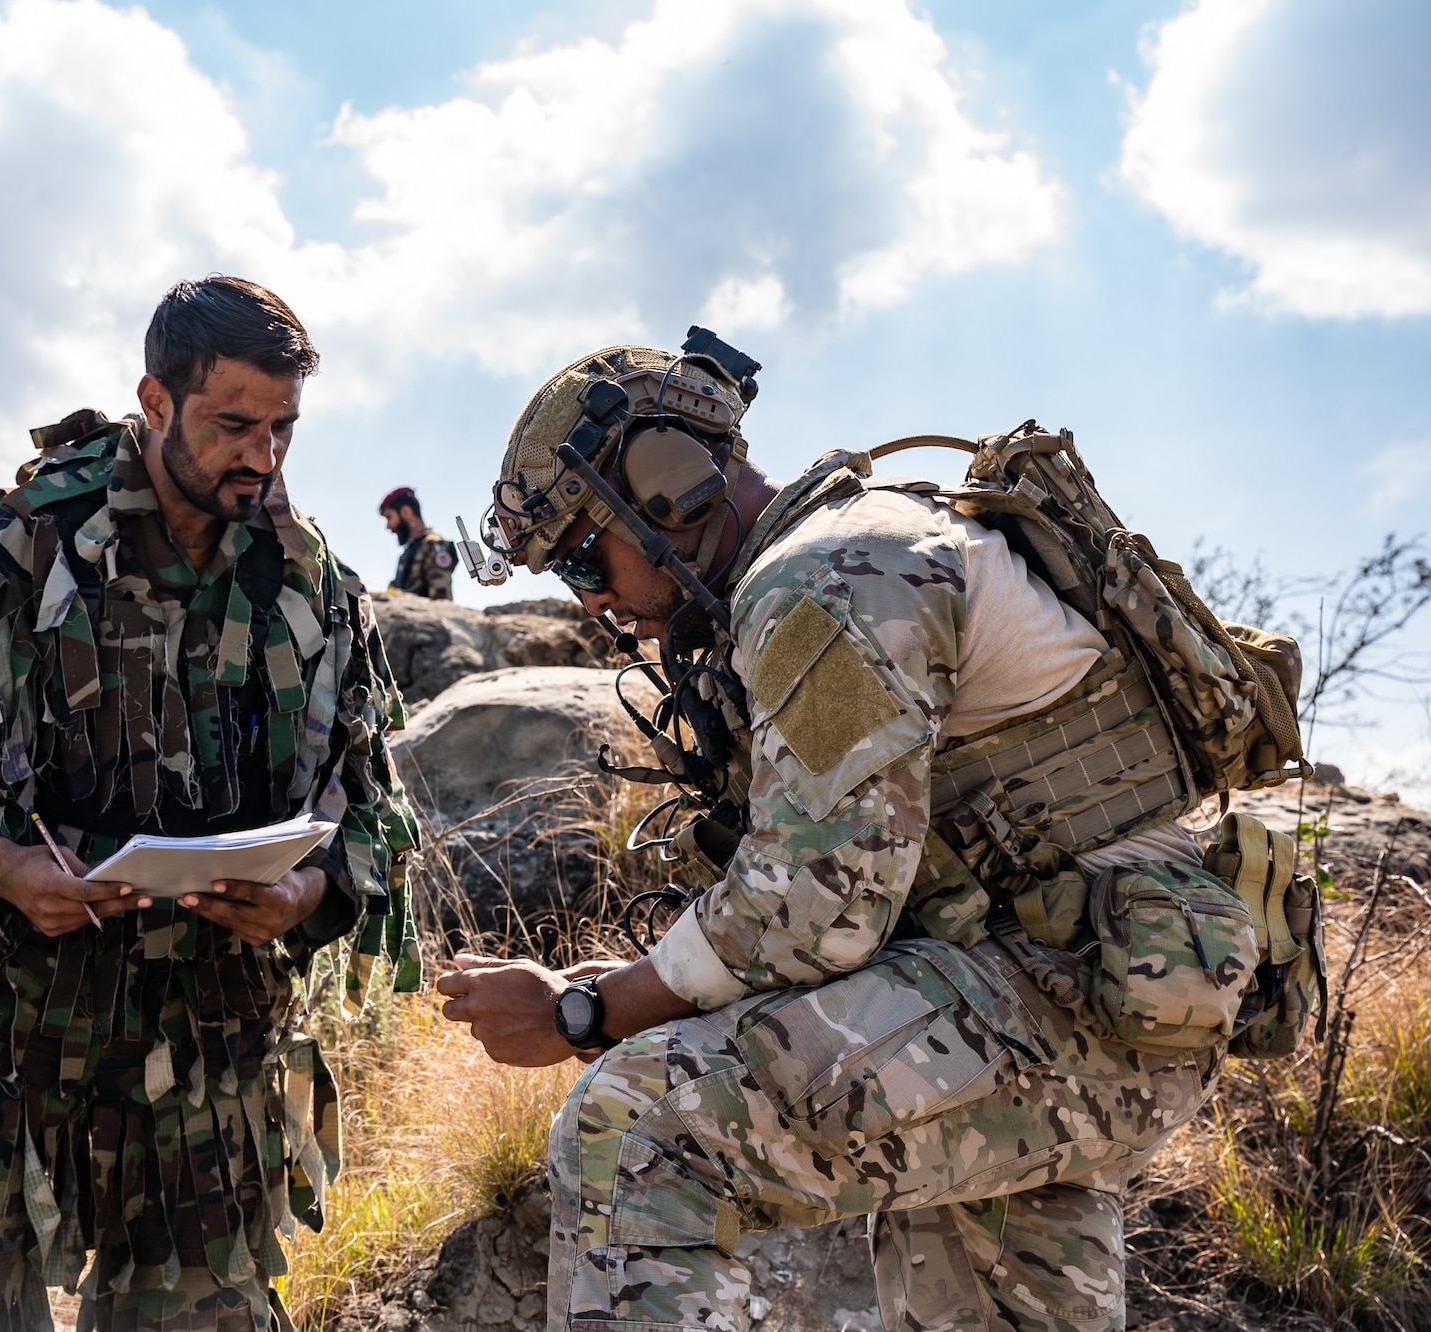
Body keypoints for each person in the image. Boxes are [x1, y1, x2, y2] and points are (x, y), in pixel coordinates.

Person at [436, 337, 1257, 1332]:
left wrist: (589, 1013)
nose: (592, 602)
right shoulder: (856, 550)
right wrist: (617, 990)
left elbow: (805, 915)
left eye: (578, 555)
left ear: (663, 487)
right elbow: (842, 892)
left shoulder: (825, 579)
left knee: (637, 1128)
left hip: (1054, 999)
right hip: (1079, 1002)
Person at [0, 276, 422, 1332]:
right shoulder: (20, 552)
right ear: (155, 402)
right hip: (5, 1028)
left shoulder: (309, 584)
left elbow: (373, 802)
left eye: (283, 427)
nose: (262, 455)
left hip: (209, 1042)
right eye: (232, 423)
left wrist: (306, 887)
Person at [378, 486, 457, 600]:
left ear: (406, 511)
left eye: (389, 517)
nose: (388, 526)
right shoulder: (409, 552)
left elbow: (441, 599)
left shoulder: (434, 545)